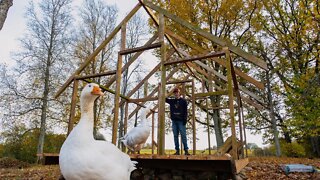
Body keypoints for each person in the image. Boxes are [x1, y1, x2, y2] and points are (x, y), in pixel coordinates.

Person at [165, 87, 190, 155]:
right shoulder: (172, 101)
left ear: (179, 93)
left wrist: (185, 120)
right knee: (175, 136)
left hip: (181, 121)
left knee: (183, 135)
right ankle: (177, 151)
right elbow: (165, 99)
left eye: (177, 92)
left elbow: (185, 111)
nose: (176, 94)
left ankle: (186, 150)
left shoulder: (183, 101)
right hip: (174, 121)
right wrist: (167, 92)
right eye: (175, 93)